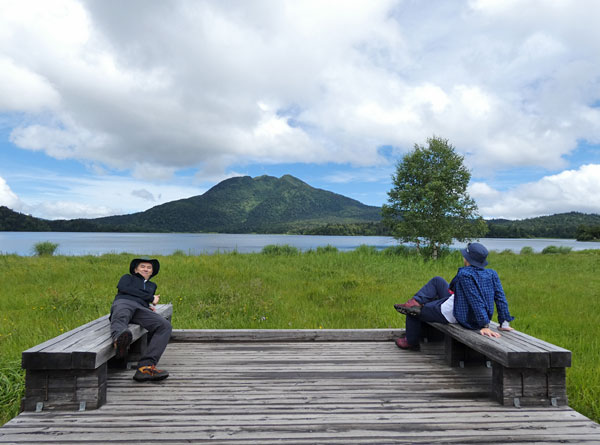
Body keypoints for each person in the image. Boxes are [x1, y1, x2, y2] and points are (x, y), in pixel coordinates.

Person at [394, 242, 514, 351]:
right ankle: (415, 301)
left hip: (458, 314)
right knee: (438, 281)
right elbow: (500, 297)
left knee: (411, 311)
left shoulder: (464, 275)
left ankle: (410, 342)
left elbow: (475, 300)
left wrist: (484, 325)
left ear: (467, 259)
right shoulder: (492, 273)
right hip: (462, 305)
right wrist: (504, 323)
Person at [110, 258, 172, 381]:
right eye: (142, 266)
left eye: (149, 268)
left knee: (164, 326)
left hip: (141, 309)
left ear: (152, 272)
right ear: (135, 269)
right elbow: (125, 289)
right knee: (121, 316)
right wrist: (151, 298)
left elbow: (140, 297)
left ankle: (146, 367)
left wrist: (148, 305)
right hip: (124, 302)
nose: (146, 269)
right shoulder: (127, 278)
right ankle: (120, 339)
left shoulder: (151, 285)